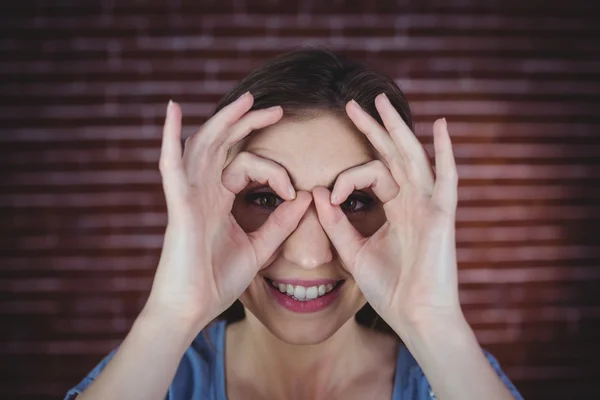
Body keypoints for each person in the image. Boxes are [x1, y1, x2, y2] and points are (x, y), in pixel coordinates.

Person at [64, 48, 524, 400]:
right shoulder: (148, 375)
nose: (309, 254)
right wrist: (170, 316)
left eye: (356, 201)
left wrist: (435, 326)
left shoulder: (456, 376)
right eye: (263, 198)